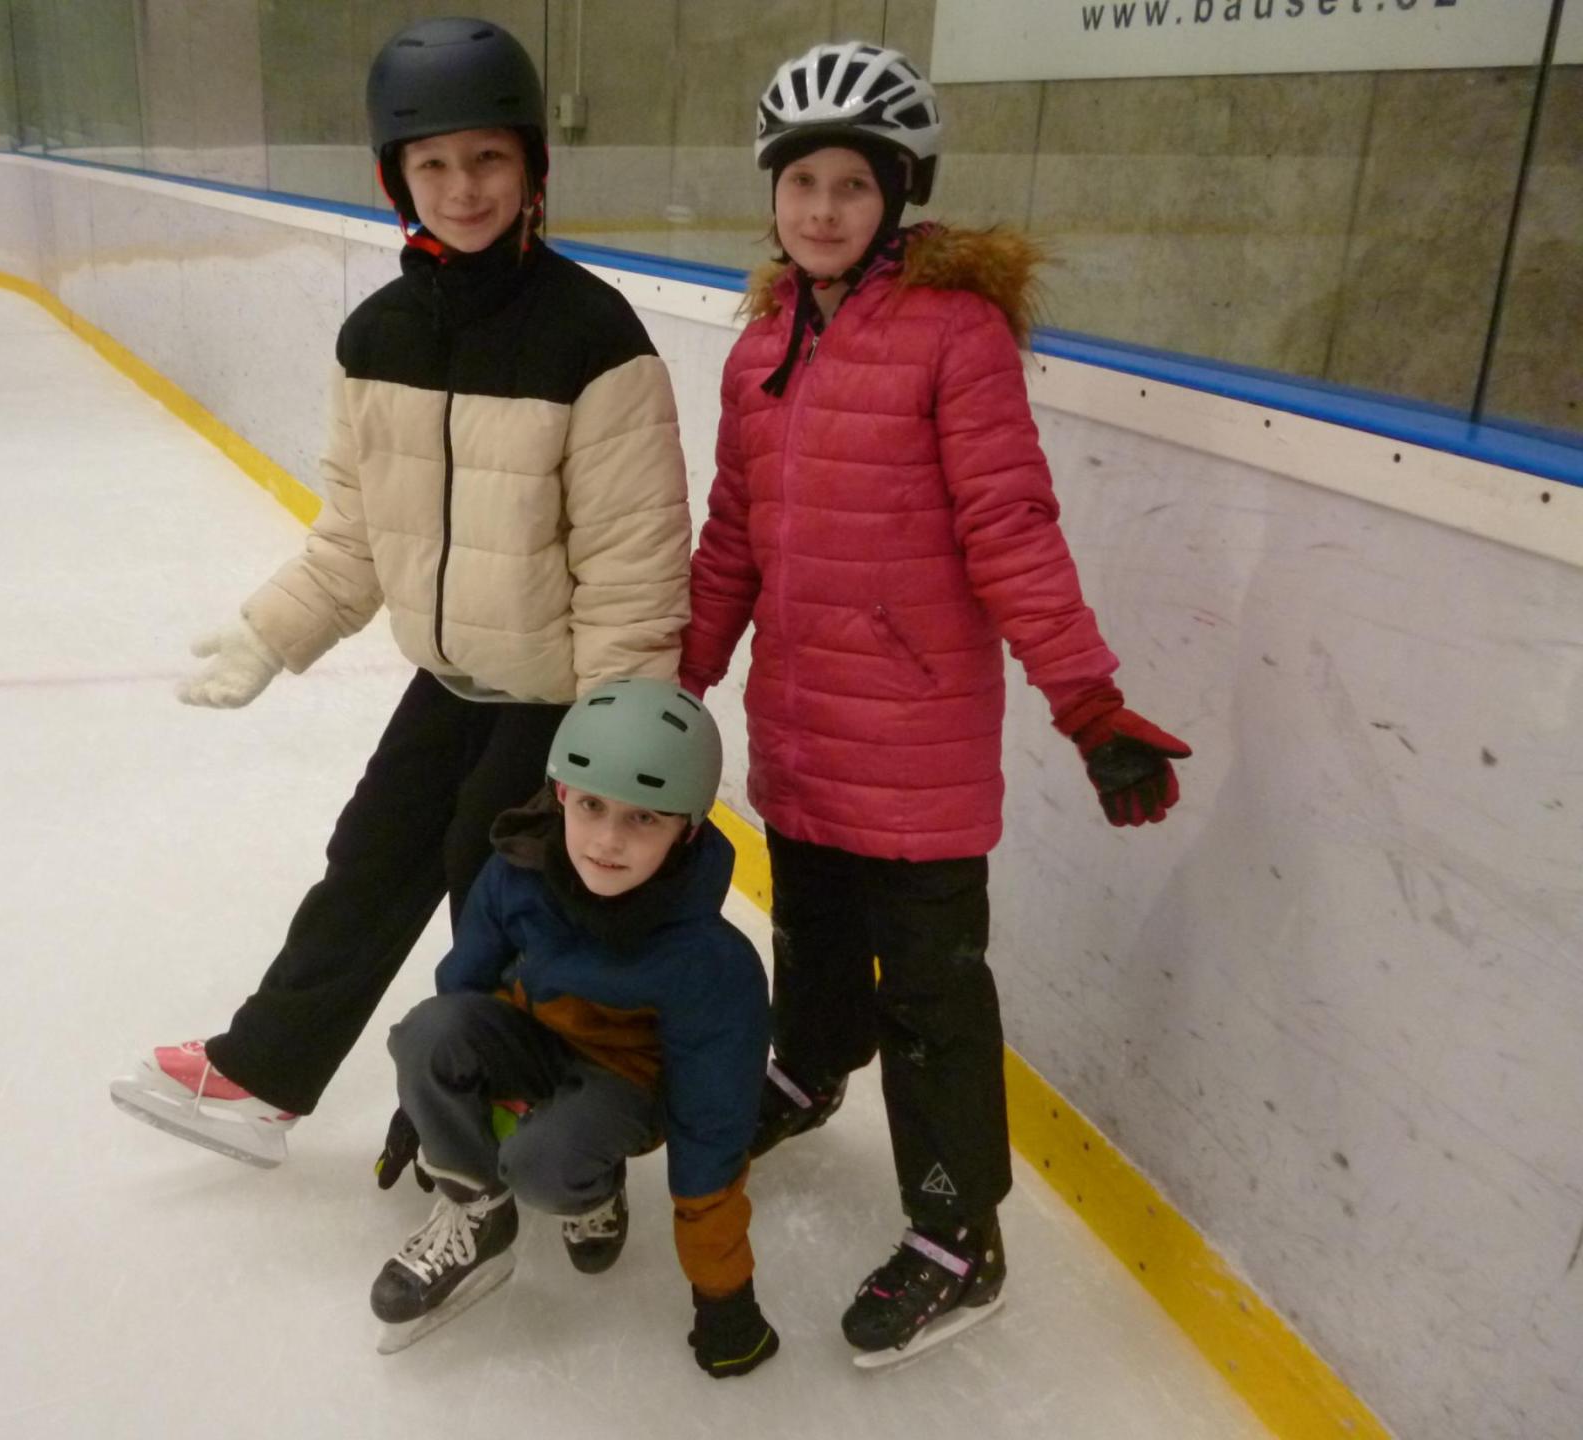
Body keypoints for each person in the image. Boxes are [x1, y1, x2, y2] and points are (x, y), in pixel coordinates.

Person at [679, 41, 1192, 1369]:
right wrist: (676, 680)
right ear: (772, 193)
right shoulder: (760, 346)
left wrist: (1090, 706)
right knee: (809, 929)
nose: (824, 209)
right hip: (802, 727)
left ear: (900, 193)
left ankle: (963, 1237)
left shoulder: (955, 337)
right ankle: (807, 1067)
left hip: (915, 742)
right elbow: (733, 534)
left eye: (854, 184)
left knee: (931, 998)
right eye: (803, 182)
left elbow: (1011, 528)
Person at [110, 17, 691, 1169]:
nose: (463, 188)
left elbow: (635, 567)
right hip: (452, 679)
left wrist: (614, 745)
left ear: (531, 167)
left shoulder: (594, 339)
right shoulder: (377, 336)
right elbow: (358, 538)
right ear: (396, 178)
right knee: (368, 858)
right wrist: (270, 633)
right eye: (434, 164)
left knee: (500, 891)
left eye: (488, 158)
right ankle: (266, 1073)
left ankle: (508, 1110)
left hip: (558, 698)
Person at [367, 678, 779, 1377]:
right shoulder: (518, 873)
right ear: (560, 794)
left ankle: (592, 1189)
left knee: (545, 1164)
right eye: (591, 805)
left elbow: (713, 1125)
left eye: (644, 818)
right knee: (424, 1034)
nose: (608, 841)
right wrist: (424, 1107)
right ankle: (478, 1208)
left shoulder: (710, 964)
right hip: (532, 1040)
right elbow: (462, 993)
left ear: (688, 828)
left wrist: (724, 1293)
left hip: (625, 1083)